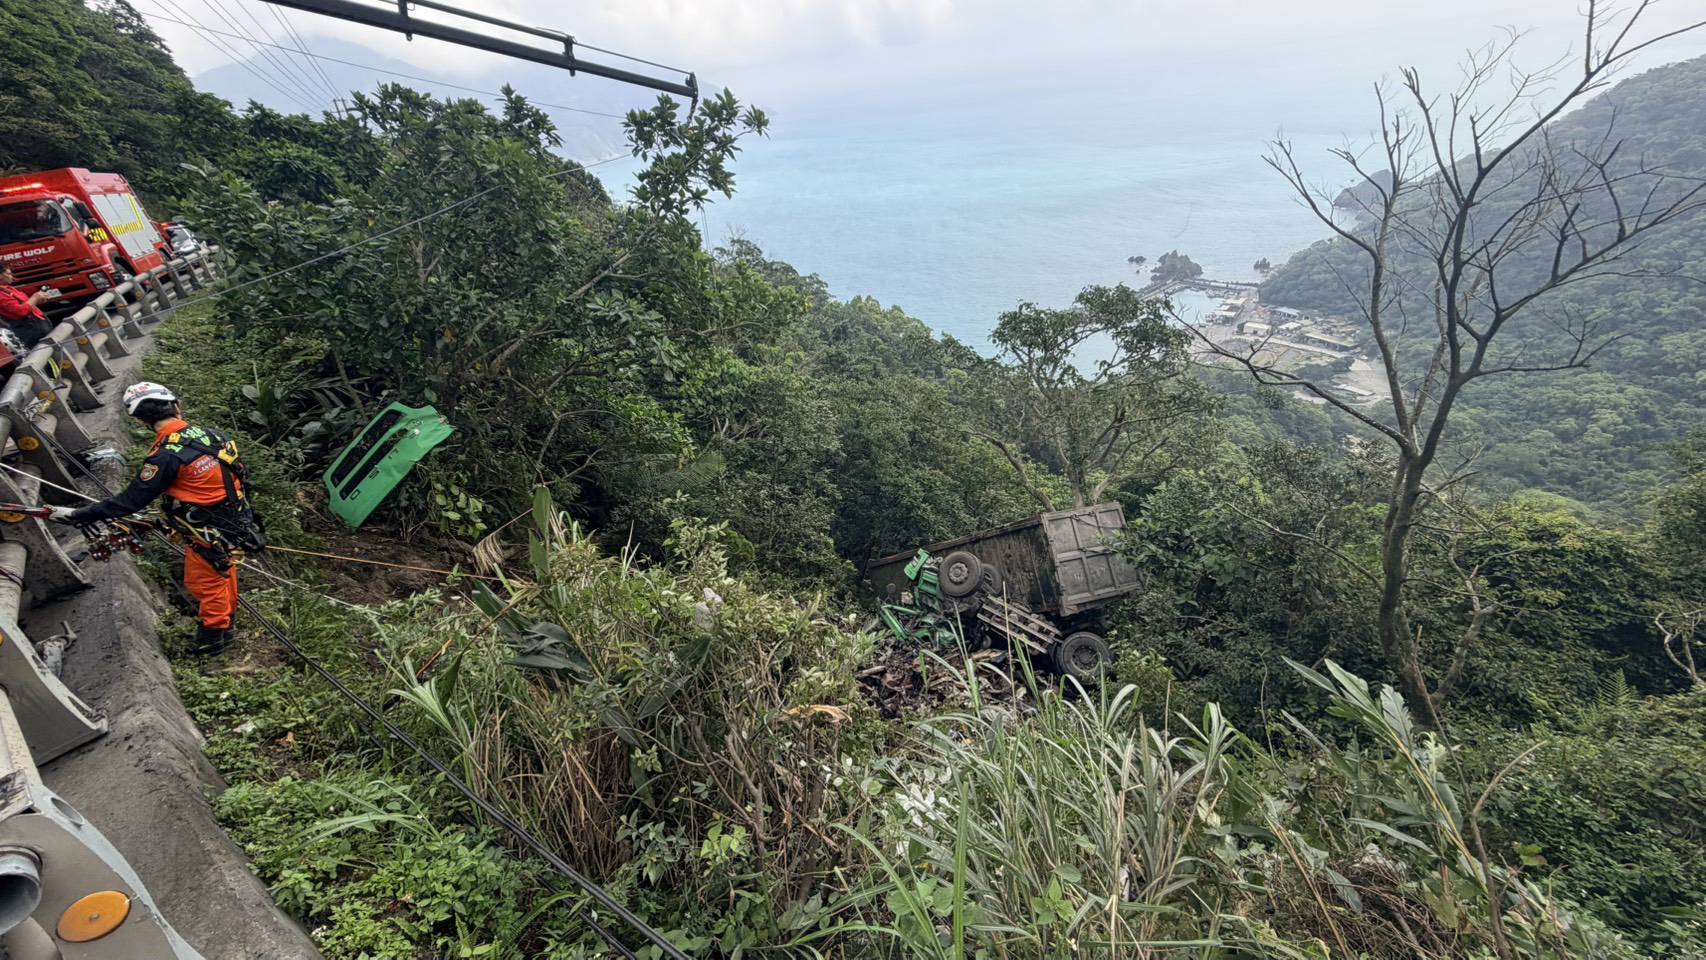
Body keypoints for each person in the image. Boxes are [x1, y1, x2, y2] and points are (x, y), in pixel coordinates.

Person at [48, 382, 263, 654]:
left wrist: (80, 515)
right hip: (237, 517)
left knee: (206, 583)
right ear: (175, 407)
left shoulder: (165, 456)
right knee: (223, 572)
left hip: (207, 527)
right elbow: (240, 474)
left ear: (141, 421)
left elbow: (130, 501)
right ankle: (225, 627)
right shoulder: (214, 436)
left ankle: (213, 638)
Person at [0, 265, 58, 348]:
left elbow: (26, 305)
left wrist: (37, 300)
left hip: (37, 324)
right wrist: (35, 298)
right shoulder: (2, 294)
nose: (12, 276)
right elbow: (21, 311)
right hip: (30, 329)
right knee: (46, 351)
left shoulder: (8, 289)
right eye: (8, 274)